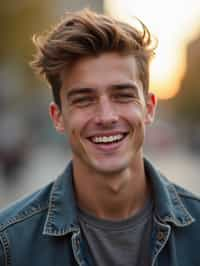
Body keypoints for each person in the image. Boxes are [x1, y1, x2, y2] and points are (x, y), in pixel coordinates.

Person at [0, 9, 199, 266]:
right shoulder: (10, 246)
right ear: (58, 116)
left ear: (149, 108)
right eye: (84, 99)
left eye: (123, 95)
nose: (106, 116)